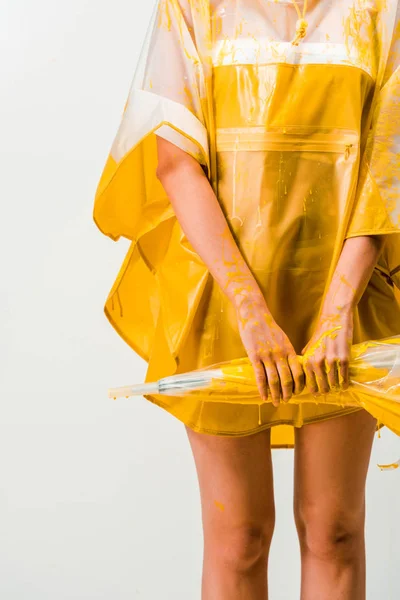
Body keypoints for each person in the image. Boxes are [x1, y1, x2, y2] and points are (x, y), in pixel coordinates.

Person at [93, 0, 400, 597]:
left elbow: (390, 163)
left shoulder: (382, 11)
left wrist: (339, 310)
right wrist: (251, 312)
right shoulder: (192, 7)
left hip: (345, 301)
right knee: (239, 535)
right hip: (221, 298)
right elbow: (177, 163)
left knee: (333, 528)